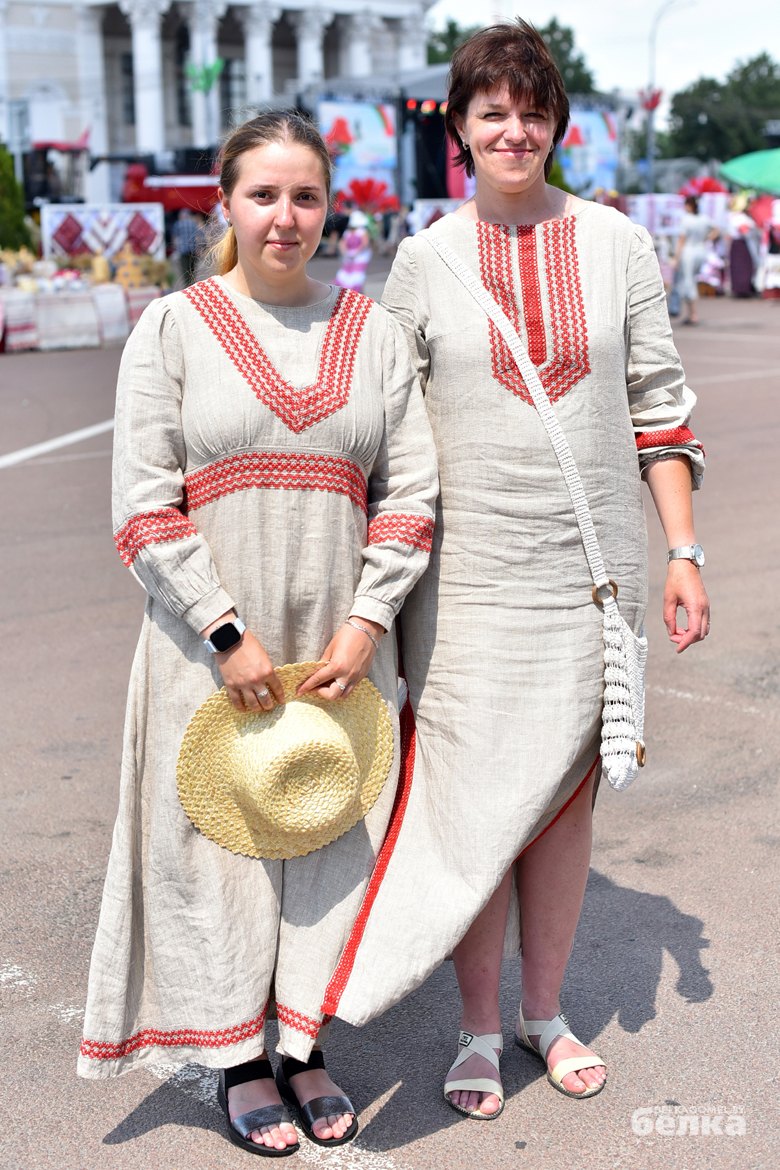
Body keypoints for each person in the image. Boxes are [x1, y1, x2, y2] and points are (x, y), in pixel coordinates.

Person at [313, 20, 709, 1120]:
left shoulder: (619, 244)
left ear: (556, 126)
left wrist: (682, 553)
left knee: (564, 802)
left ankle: (546, 1015)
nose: (514, 129)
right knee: (471, 804)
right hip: (469, 580)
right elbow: (383, 425)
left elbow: (660, 413)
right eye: (491, 112)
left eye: (532, 111)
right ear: (459, 131)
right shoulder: (423, 260)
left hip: (590, 574)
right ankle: (478, 1032)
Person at [77, 111, 437, 1155]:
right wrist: (224, 632)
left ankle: (304, 1042)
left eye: (307, 196)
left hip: (340, 644)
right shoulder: (175, 328)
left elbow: (413, 489)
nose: (287, 217)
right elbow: (143, 504)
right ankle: (239, 1059)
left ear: (334, 206)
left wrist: (370, 622)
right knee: (214, 846)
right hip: (209, 644)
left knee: (326, 837)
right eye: (265, 195)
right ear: (227, 204)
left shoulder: (374, 333)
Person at [672, 195, 718, 324]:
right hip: (701, 251)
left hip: (689, 252)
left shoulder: (686, 219)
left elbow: (682, 240)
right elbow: (716, 230)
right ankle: (692, 312)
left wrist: (676, 258)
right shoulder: (704, 218)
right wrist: (707, 238)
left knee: (688, 281)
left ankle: (693, 313)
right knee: (692, 280)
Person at [333, 209, 373, 291]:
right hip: (350, 255)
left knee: (357, 275)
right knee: (346, 274)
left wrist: (356, 252)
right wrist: (345, 252)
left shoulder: (361, 231)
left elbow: (365, 243)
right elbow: (342, 243)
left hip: (360, 256)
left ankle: (355, 292)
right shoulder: (348, 232)